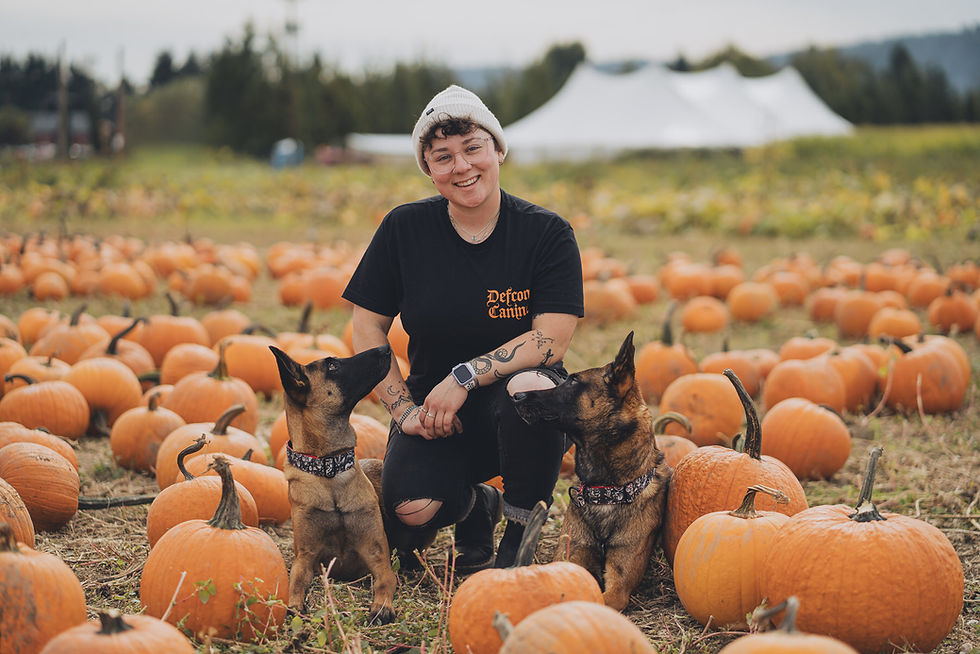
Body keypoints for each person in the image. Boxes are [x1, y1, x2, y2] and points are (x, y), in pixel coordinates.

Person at [342, 85, 584, 572]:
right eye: (443, 156)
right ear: (429, 170)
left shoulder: (546, 233)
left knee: (530, 389)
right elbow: (367, 324)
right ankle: (478, 505)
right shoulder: (404, 230)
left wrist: (464, 376)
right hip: (434, 408)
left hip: (517, 405)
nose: (462, 166)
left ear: (497, 150)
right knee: (412, 511)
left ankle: (519, 531)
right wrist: (403, 408)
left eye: (473, 148)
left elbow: (550, 340)